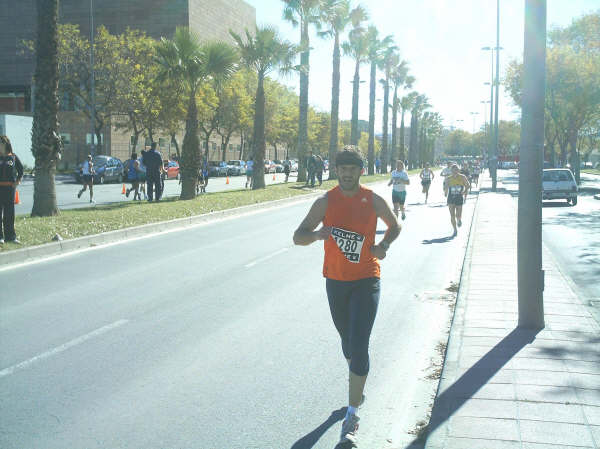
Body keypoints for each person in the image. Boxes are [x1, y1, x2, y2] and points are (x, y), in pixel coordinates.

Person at [293, 147, 400, 447]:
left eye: (353, 168)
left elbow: (395, 225)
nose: (348, 173)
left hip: (367, 278)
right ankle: (357, 381)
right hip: (336, 283)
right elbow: (298, 236)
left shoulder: (373, 199)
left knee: (360, 343)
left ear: (361, 171)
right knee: (348, 343)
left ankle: (351, 416)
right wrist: (316, 235)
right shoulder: (325, 201)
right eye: (343, 168)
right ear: (336, 170)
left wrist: (384, 245)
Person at [0, 136, 24, 244]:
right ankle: (0, 237)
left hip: (10, 189)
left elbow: (21, 169)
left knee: (9, 213)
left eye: (2, 142)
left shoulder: (13, 157)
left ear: (6, 144)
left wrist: (18, 181)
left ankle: (11, 237)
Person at [444, 164, 470, 236]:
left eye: (456, 170)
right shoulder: (448, 178)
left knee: (458, 215)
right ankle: (455, 229)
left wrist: (464, 192)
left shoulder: (462, 177)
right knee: (452, 215)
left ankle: (459, 219)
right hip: (451, 197)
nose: (455, 171)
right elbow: (446, 187)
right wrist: (445, 193)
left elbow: (468, 185)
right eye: (453, 170)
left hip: (459, 197)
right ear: (451, 170)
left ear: (458, 170)